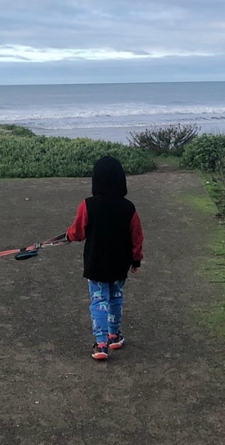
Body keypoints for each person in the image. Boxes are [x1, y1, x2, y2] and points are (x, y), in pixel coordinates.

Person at [65, 155, 144, 361]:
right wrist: (136, 260)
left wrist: (68, 236)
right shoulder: (129, 207)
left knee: (99, 300)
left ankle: (101, 344)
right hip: (120, 263)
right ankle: (114, 335)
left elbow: (78, 232)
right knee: (116, 298)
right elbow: (136, 237)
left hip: (96, 262)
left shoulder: (88, 205)